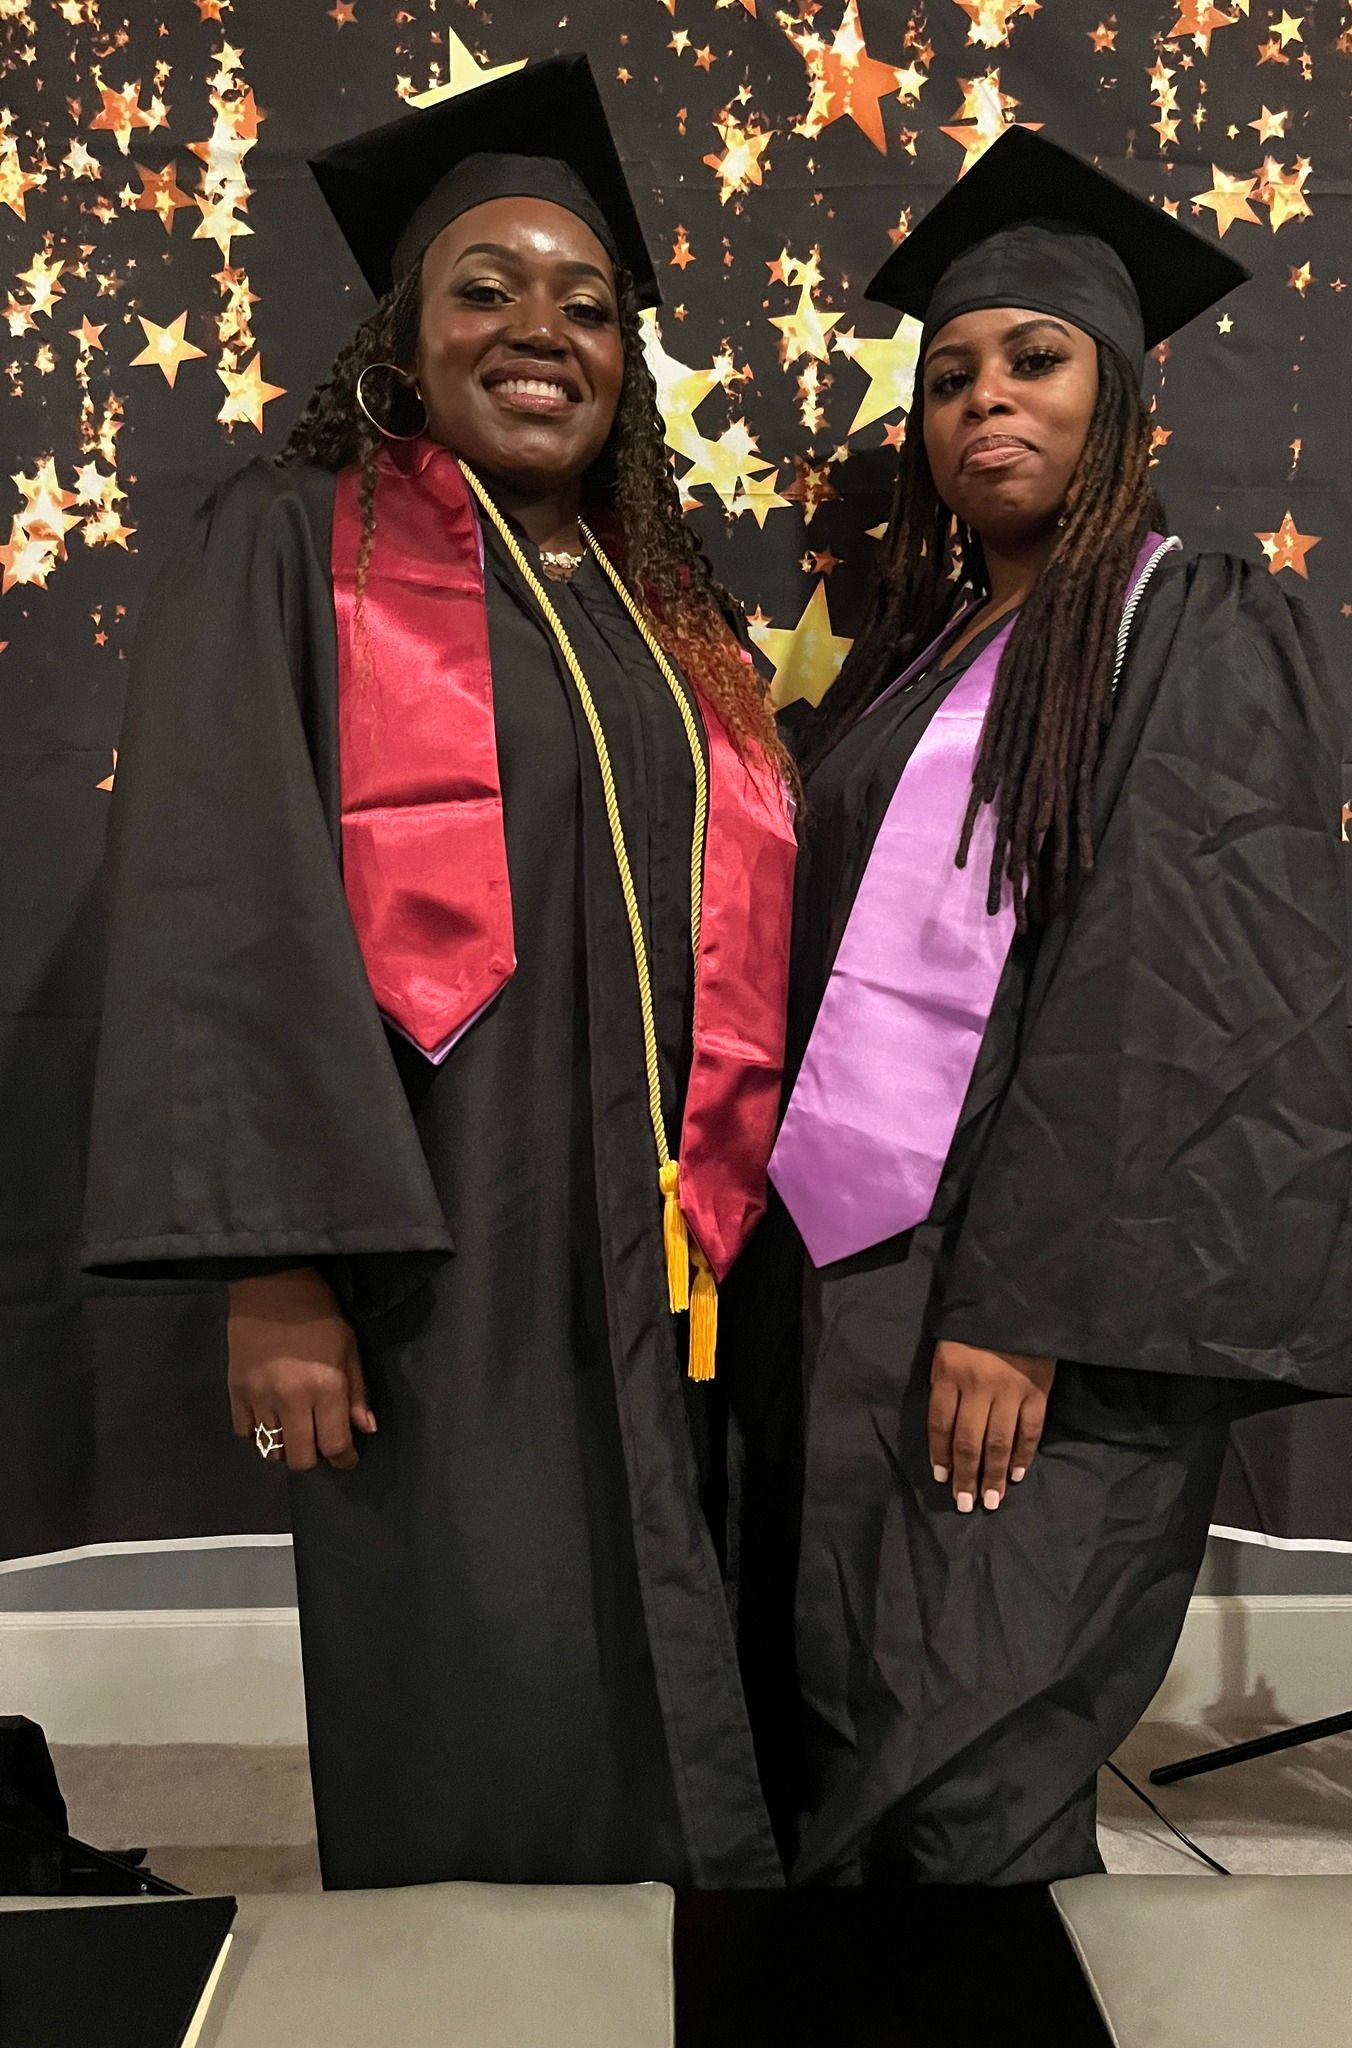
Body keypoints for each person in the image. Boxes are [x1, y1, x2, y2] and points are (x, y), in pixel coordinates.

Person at [81, 55, 796, 1891]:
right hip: (441, 1237)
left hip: (671, 1242)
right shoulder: (290, 545)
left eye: (589, 304)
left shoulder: (664, 610)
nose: (541, 329)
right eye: (488, 287)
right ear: (405, 336)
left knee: (675, 1627)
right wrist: (277, 1268)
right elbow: (221, 899)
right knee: (484, 1639)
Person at [762, 127, 1352, 1886]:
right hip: (868, 1282)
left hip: (1044, 1297)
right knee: (861, 1707)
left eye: (1036, 360)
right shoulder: (924, 660)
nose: (986, 403)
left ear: (1124, 400)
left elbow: (1181, 998)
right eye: (951, 376)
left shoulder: (1194, 625)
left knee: (970, 1763)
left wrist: (1025, 1306)